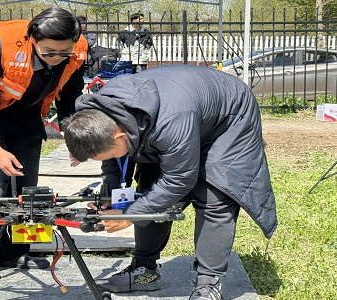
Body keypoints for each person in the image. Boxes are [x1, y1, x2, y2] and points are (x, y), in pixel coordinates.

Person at [62, 64, 277, 300]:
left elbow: (179, 179)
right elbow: (115, 162)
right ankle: (145, 271)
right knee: (149, 191)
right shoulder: (102, 115)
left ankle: (208, 284)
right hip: (173, 114)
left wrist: (128, 216)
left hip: (226, 120)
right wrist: (111, 195)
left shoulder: (170, 121)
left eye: (113, 153)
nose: (113, 158)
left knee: (214, 197)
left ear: (120, 135)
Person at [0, 7, 88, 280]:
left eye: (63, 53)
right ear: (33, 38)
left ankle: (16, 252)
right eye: (48, 53)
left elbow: (70, 94)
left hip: (24, 109)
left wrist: (74, 137)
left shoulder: (78, 49)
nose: (57, 59)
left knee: (27, 185)